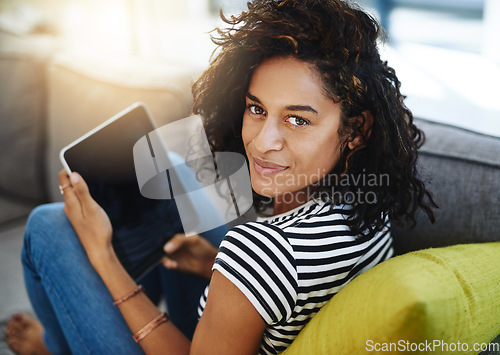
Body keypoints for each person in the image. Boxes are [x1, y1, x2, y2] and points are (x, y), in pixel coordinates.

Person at [6, 0, 436, 354]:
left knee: (49, 225)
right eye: (257, 108)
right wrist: (216, 267)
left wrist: (101, 254)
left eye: (298, 120)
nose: (264, 142)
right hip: (257, 308)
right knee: (173, 170)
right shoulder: (368, 205)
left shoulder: (259, 252)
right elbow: (286, 289)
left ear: (356, 130)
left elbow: (267, 266)